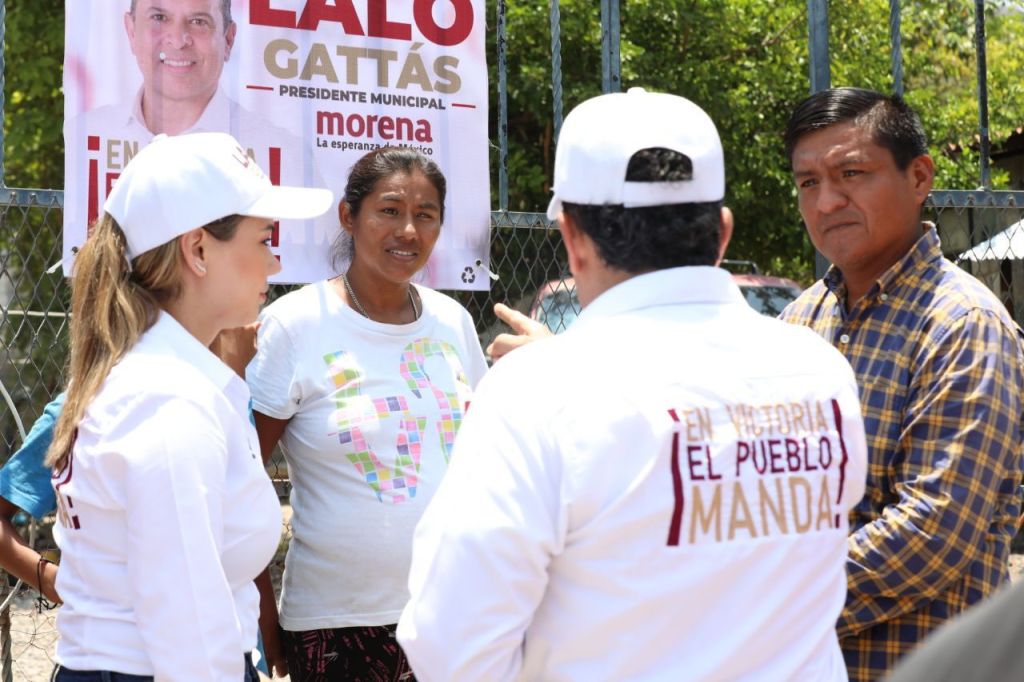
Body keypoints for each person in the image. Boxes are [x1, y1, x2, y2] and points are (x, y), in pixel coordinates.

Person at [397, 88, 868, 681]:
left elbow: (452, 642)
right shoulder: (819, 370)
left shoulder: (535, 394)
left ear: (572, 238)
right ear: (722, 232)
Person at [45, 131, 332, 681]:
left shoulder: (162, 378)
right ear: (197, 250)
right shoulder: (168, 397)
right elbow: (188, 630)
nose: (274, 263)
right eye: (264, 239)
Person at [779, 87, 1024, 680]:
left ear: (919, 178)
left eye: (851, 174)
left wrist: (769, 602)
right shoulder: (798, 322)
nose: (827, 201)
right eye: (808, 182)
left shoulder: (964, 325)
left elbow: (932, 532)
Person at [247, 146, 488, 680]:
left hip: (454, 613)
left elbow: (486, 461)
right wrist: (262, 609)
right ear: (348, 216)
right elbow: (237, 479)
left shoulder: (453, 323)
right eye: (390, 210)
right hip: (337, 625)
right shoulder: (294, 325)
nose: (409, 231)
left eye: (426, 215)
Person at [63, 0, 335, 282]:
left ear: (228, 39)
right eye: (159, 17)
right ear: (131, 31)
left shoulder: (290, 156)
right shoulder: (83, 133)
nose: (178, 39)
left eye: (198, 22)